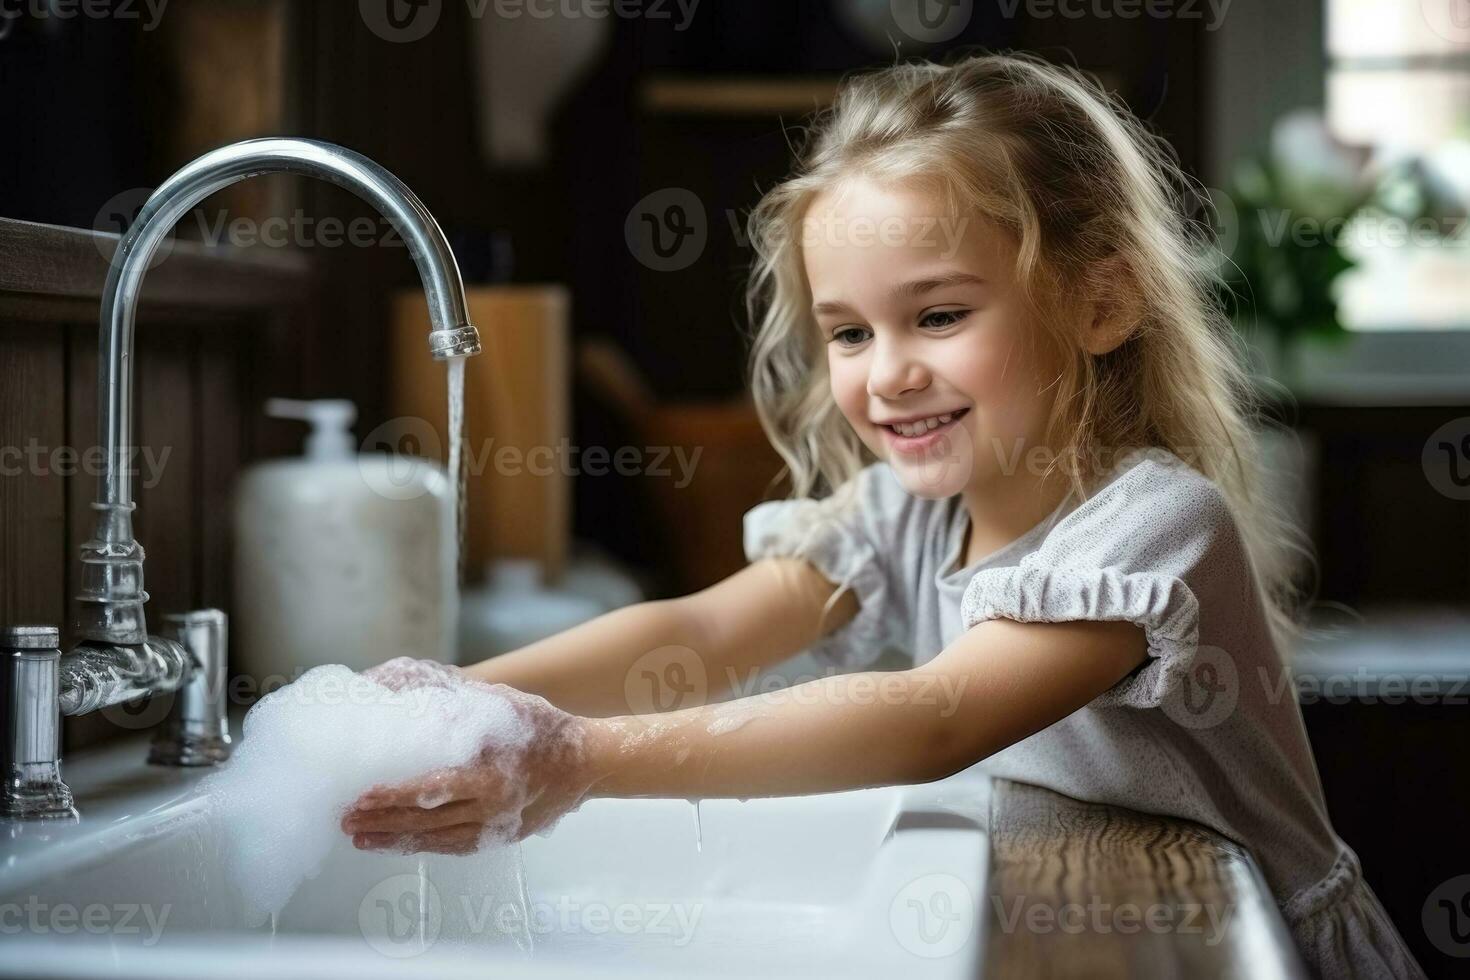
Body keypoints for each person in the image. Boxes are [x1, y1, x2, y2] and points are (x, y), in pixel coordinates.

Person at [339, 52, 1424, 979]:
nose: (888, 373)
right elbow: (701, 633)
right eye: (850, 332)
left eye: (939, 314)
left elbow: (938, 713)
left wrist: (578, 757)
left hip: (1250, 944)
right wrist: (448, 699)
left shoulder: (1151, 526)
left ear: (1101, 302)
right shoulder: (907, 515)